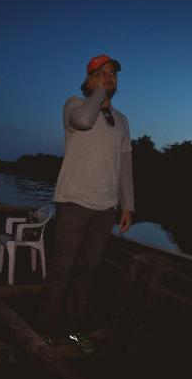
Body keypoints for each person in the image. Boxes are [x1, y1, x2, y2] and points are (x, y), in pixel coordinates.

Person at [36, 54, 134, 353]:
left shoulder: (122, 120)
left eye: (112, 74)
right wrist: (99, 94)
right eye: (101, 73)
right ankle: (45, 330)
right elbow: (83, 121)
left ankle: (73, 331)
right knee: (62, 268)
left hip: (105, 209)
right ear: (89, 79)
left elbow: (125, 165)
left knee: (88, 271)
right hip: (74, 202)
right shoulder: (75, 105)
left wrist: (127, 205)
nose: (109, 78)